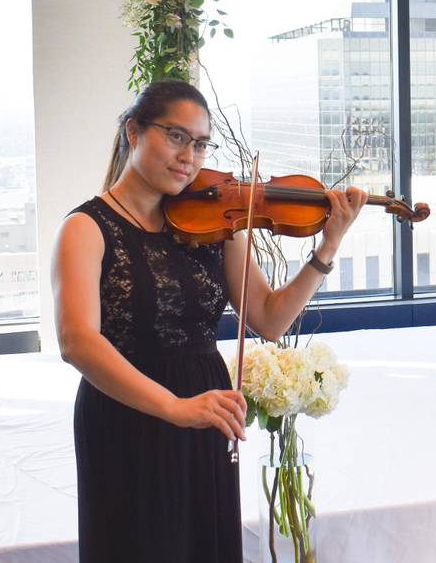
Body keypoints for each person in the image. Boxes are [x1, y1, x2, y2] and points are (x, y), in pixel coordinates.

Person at [51, 80, 367, 562]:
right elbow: (78, 342)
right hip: (126, 413)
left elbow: (269, 318)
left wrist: (327, 247)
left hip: (206, 408)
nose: (190, 157)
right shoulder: (86, 228)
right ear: (134, 132)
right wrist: (175, 407)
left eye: (200, 144)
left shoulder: (217, 223)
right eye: (176, 136)